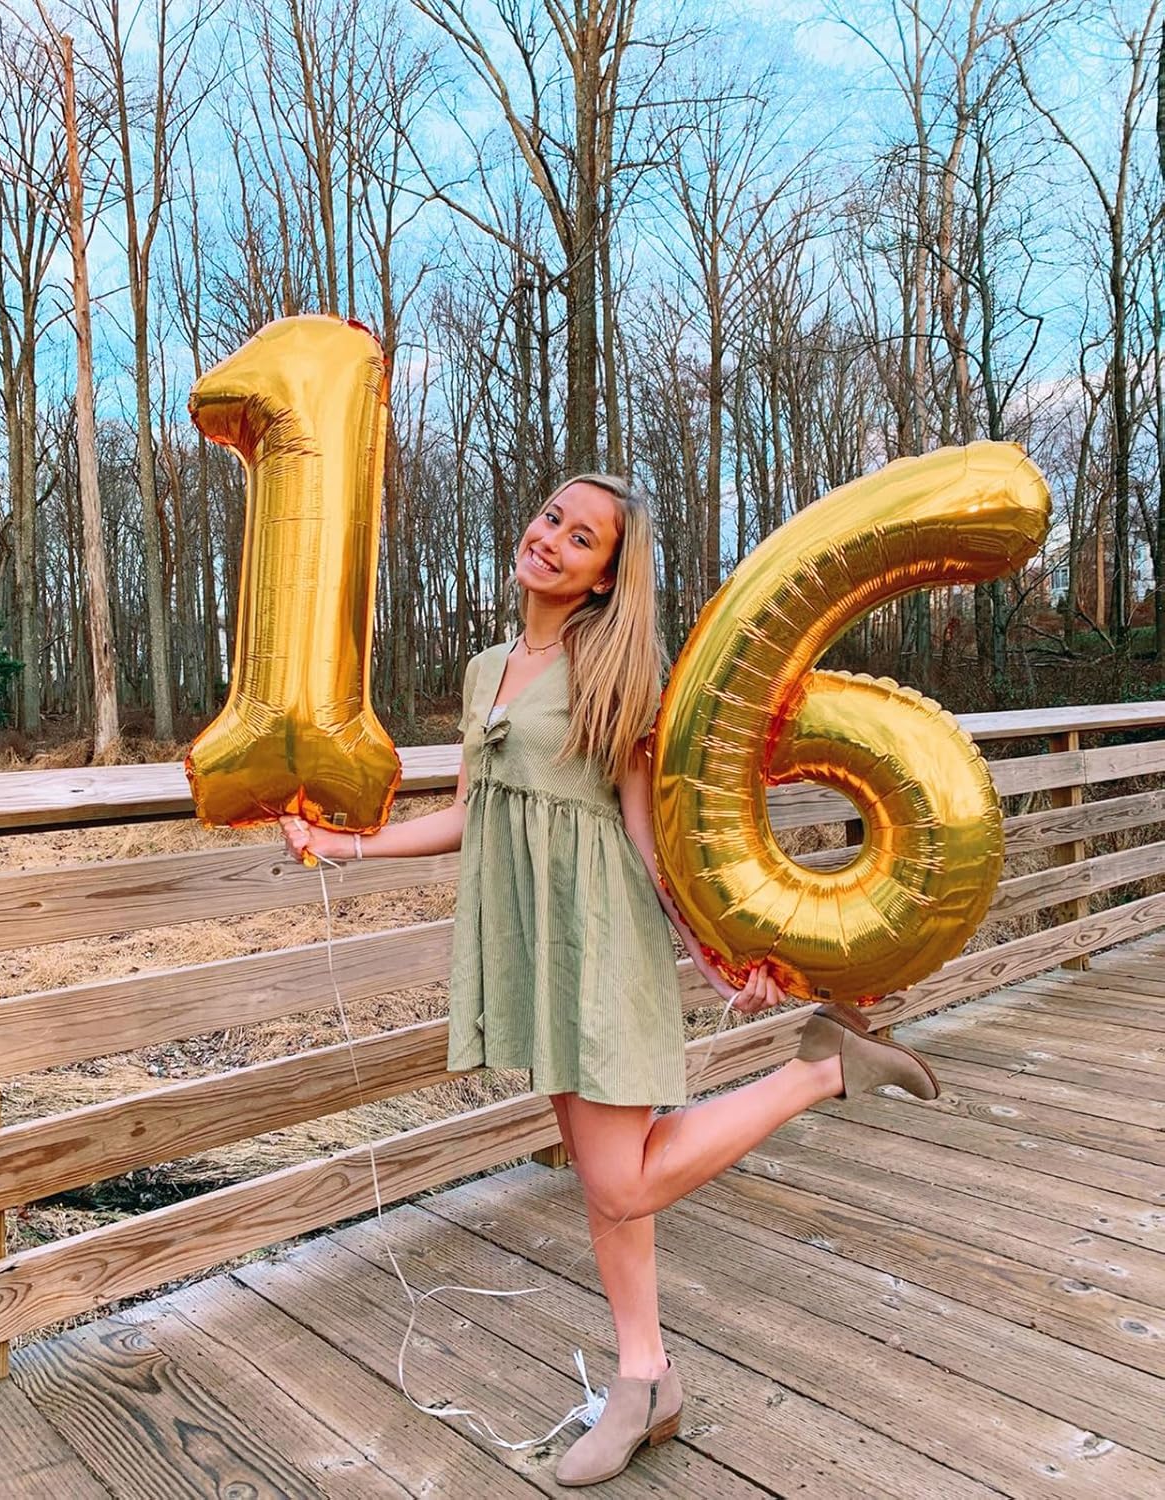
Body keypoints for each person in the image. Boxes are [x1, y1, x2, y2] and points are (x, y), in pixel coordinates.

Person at [280, 474, 939, 1488]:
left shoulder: (618, 670)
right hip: (528, 940)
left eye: (581, 538)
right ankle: (646, 1379)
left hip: (600, 936)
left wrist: (716, 951)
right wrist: (342, 846)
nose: (551, 539)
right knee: (607, 1183)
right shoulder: (487, 668)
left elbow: (648, 835)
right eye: (552, 517)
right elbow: (470, 814)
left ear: (601, 578)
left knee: (620, 1182)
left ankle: (822, 1071)